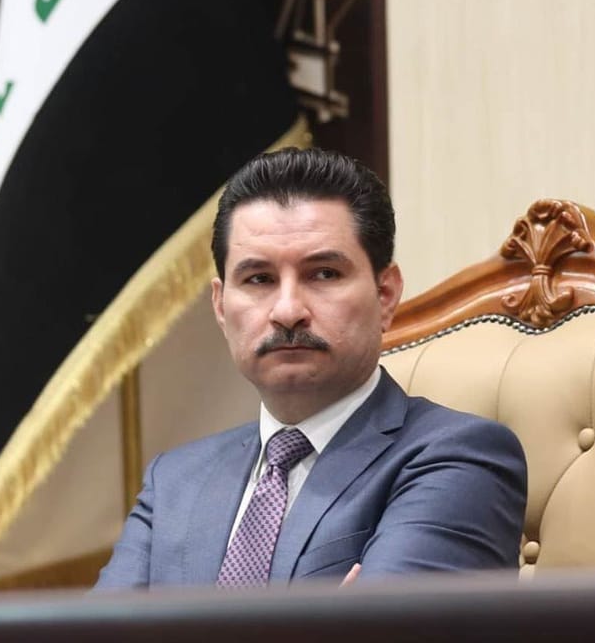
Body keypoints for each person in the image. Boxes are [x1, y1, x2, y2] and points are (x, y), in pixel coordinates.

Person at [94, 147, 527, 590]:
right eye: (259, 279)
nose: (287, 311)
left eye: (323, 274)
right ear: (221, 307)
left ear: (385, 295)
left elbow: (389, 627)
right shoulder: (175, 479)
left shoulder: (459, 458)